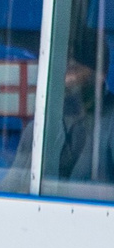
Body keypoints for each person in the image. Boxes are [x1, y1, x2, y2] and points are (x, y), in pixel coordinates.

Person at [11, 57, 114, 186]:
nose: (67, 79)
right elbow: (10, 187)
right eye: (63, 69)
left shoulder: (110, 122)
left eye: (74, 69)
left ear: (100, 74)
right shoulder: (39, 126)